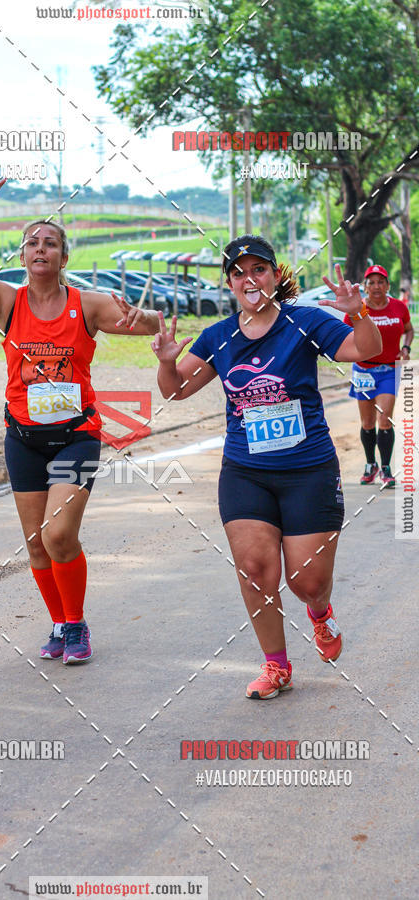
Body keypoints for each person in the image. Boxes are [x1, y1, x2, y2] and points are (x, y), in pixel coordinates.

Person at [152, 235, 382, 700]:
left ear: (276, 276)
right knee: (256, 568)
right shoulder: (219, 336)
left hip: (309, 469)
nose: (249, 279)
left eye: (259, 269)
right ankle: (276, 666)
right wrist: (166, 361)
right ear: (230, 283)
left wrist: (357, 310)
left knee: (306, 580)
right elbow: (175, 391)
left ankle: (320, 612)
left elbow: (366, 349)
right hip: (246, 472)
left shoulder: (305, 322)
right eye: (239, 272)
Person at [0, 177, 160, 664]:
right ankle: (60, 625)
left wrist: (142, 318)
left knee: (58, 535)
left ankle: (77, 623)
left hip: (75, 437)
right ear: (23, 256)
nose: (41, 248)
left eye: (52, 243)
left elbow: (151, 323)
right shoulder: (6, 302)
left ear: (64, 258)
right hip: (22, 437)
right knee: (35, 546)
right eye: (33, 242)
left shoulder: (88, 304)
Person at [347, 265, 414, 488]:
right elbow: (346, 335)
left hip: (389, 369)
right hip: (363, 370)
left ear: (387, 285)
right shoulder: (358, 309)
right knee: (367, 422)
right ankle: (370, 464)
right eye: (371, 282)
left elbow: (409, 329)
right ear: (365, 287)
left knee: (384, 419)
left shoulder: (398, 307)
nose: (376, 286)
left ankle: (385, 468)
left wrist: (406, 349)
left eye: (381, 282)